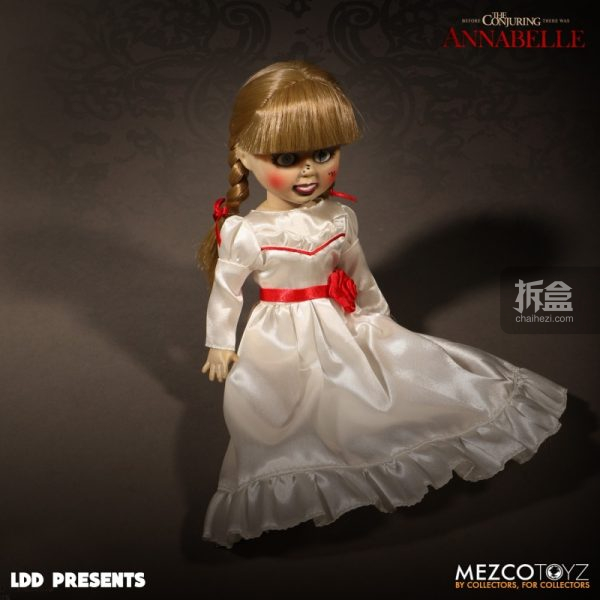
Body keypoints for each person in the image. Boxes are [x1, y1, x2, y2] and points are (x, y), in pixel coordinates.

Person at [196, 60, 568, 549]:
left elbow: (357, 271)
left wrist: (375, 313)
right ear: (244, 156)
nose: (310, 170)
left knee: (366, 391)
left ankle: (374, 451)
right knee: (280, 409)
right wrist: (220, 343)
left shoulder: (339, 217)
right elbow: (227, 291)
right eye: (287, 158)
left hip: (338, 319)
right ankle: (305, 480)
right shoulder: (246, 232)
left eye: (324, 154)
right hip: (278, 333)